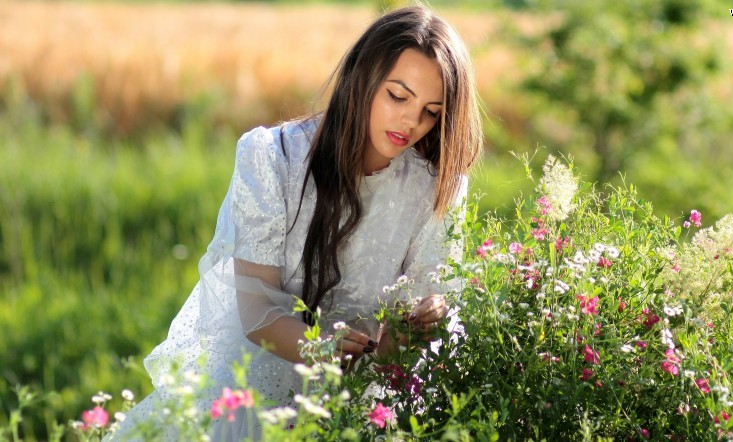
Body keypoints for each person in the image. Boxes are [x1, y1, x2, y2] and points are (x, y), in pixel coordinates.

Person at [111, 4, 482, 440]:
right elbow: (257, 311)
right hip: (258, 389)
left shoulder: (437, 188)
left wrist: (413, 327)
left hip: (361, 403)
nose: (411, 121)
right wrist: (320, 348)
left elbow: (392, 352)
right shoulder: (274, 158)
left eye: (431, 111)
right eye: (398, 96)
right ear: (363, 78)